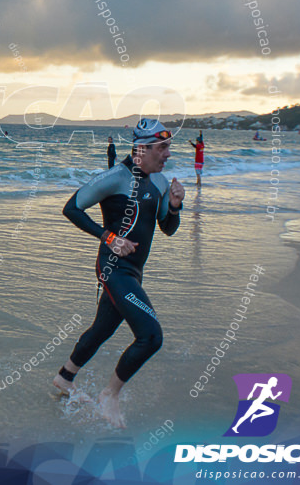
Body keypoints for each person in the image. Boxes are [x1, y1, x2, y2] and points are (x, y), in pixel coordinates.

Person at [53, 118, 184, 428]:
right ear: (143, 148)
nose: (168, 154)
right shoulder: (115, 177)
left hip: (134, 271)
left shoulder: (161, 182)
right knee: (151, 336)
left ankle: (64, 378)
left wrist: (176, 206)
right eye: (162, 147)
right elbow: (72, 208)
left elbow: (167, 229)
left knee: (102, 328)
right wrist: (108, 237)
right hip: (114, 269)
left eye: (168, 147)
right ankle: (110, 395)